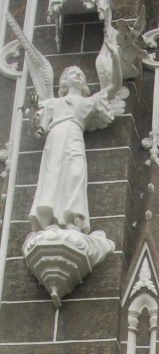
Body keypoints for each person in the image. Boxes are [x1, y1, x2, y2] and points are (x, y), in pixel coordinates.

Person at [30, 64, 120, 233]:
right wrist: (33, 113)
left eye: (81, 73)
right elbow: (37, 130)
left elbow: (115, 85)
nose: (78, 74)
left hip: (75, 134)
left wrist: (115, 56)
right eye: (73, 73)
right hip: (56, 135)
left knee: (76, 173)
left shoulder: (89, 102)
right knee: (54, 173)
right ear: (64, 81)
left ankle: (71, 219)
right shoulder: (52, 103)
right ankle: (50, 221)